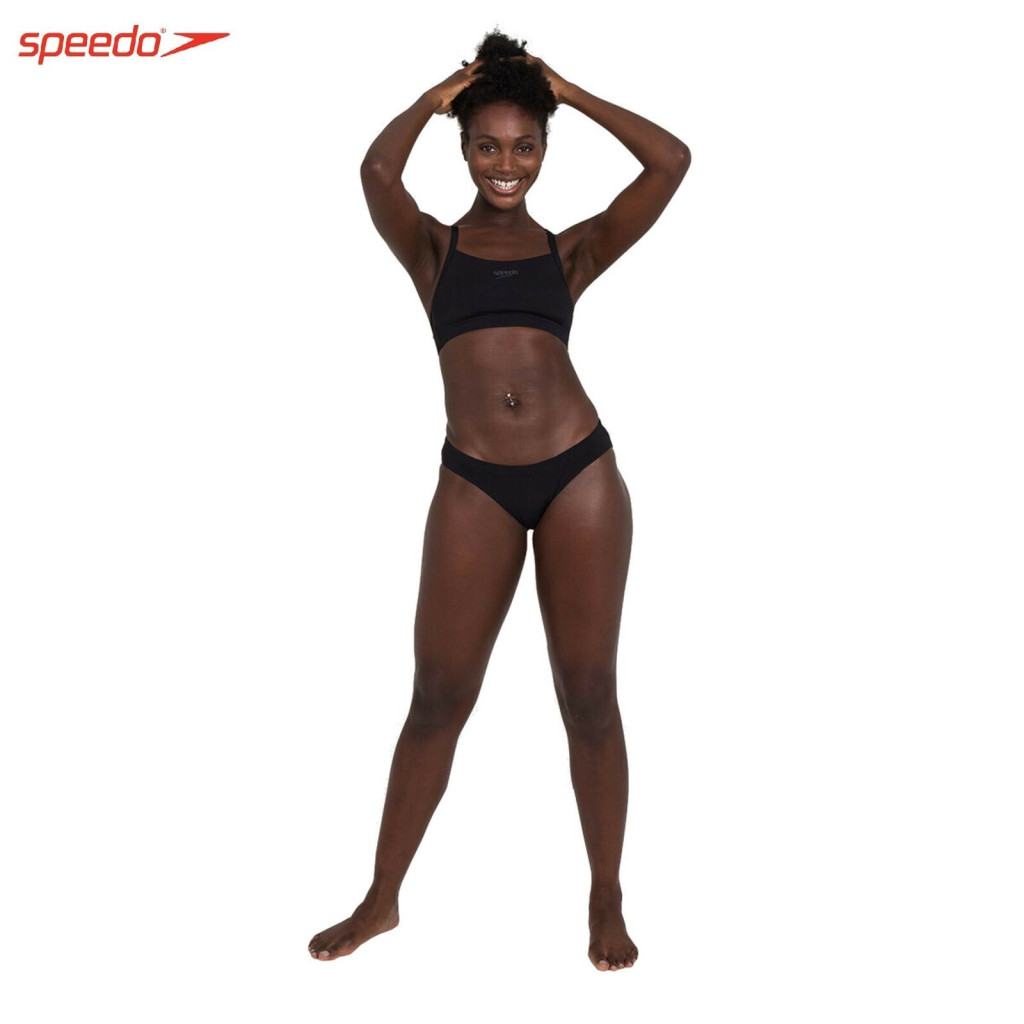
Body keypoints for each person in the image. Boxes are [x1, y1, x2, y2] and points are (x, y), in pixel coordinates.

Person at [308, 30, 690, 972]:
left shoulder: (571, 252)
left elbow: (672, 161)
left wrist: (570, 91)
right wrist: (437, 93)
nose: (506, 163)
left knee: (589, 696)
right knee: (437, 696)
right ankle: (381, 898)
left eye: (524, 145)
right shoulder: (432, 249)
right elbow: (375, 171)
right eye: (486, 145)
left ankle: (606, 893)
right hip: (475, 478)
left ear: (546, 149)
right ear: (464, 147)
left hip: (578, 474)